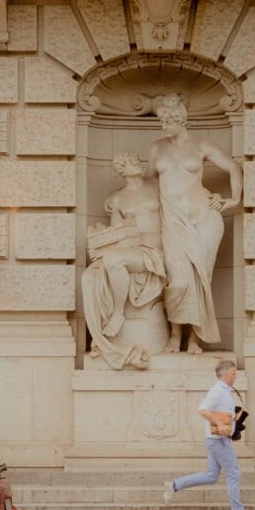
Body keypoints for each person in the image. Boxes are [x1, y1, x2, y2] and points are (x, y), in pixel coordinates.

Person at [147, 94, 242, 354]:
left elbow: (234, 167)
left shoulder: (200, 145)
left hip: (203, 219)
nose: (164, 125)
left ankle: (195, 340)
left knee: (201, 279)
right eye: (162, 121)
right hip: (172, 222)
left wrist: (232, 200)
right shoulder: (157, 148)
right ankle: (175, 335)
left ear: (180, 120)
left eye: (168, 121)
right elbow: (148, 184)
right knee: (177, 280)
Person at [82, 151, 167, 370]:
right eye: (129, 162)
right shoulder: (118, 198)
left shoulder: (158, 187)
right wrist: (101, 241)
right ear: (121, 170)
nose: (137, 163)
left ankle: (117, 313)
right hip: (131, 250)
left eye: (137, 159)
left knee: (114, 261)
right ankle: (108, 330)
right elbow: (116, 232)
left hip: (154, 251)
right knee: (91, 275)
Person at [163, 359, 255, 510]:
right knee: (234, 473)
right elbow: (203, 409)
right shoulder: (218, 391)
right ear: (226, 374)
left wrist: (233, 423)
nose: (235, 376)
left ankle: (174, 486)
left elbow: (217, 412)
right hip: (218, 441)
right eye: (234, 373)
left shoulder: (225, 391)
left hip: (217, 439)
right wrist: (219, 423)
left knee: (212, 475)